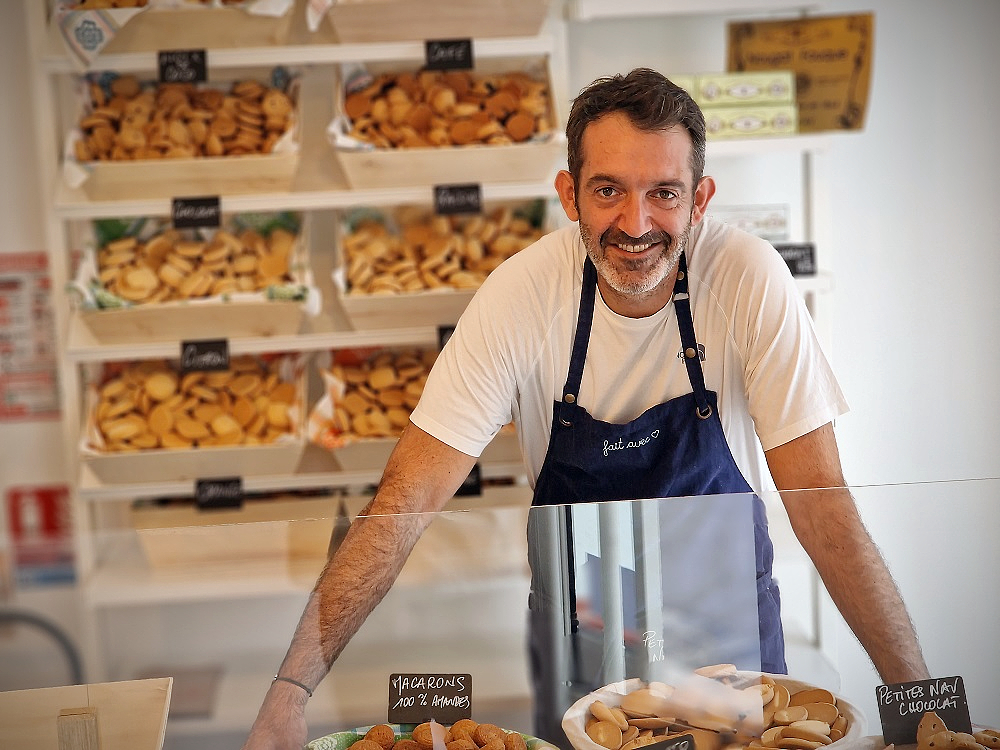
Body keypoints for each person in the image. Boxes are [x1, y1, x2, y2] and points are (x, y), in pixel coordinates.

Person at [243, 68, 928, 749]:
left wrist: (922, 705)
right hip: (587, 693)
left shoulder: (748, 279)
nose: (636, 225)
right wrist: (290, 691)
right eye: (608, 191)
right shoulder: (521, 296)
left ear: (700, 201)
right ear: (569, 195)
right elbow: (405, 499)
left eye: (663, 193)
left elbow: (821, 502)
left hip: (739, 677)